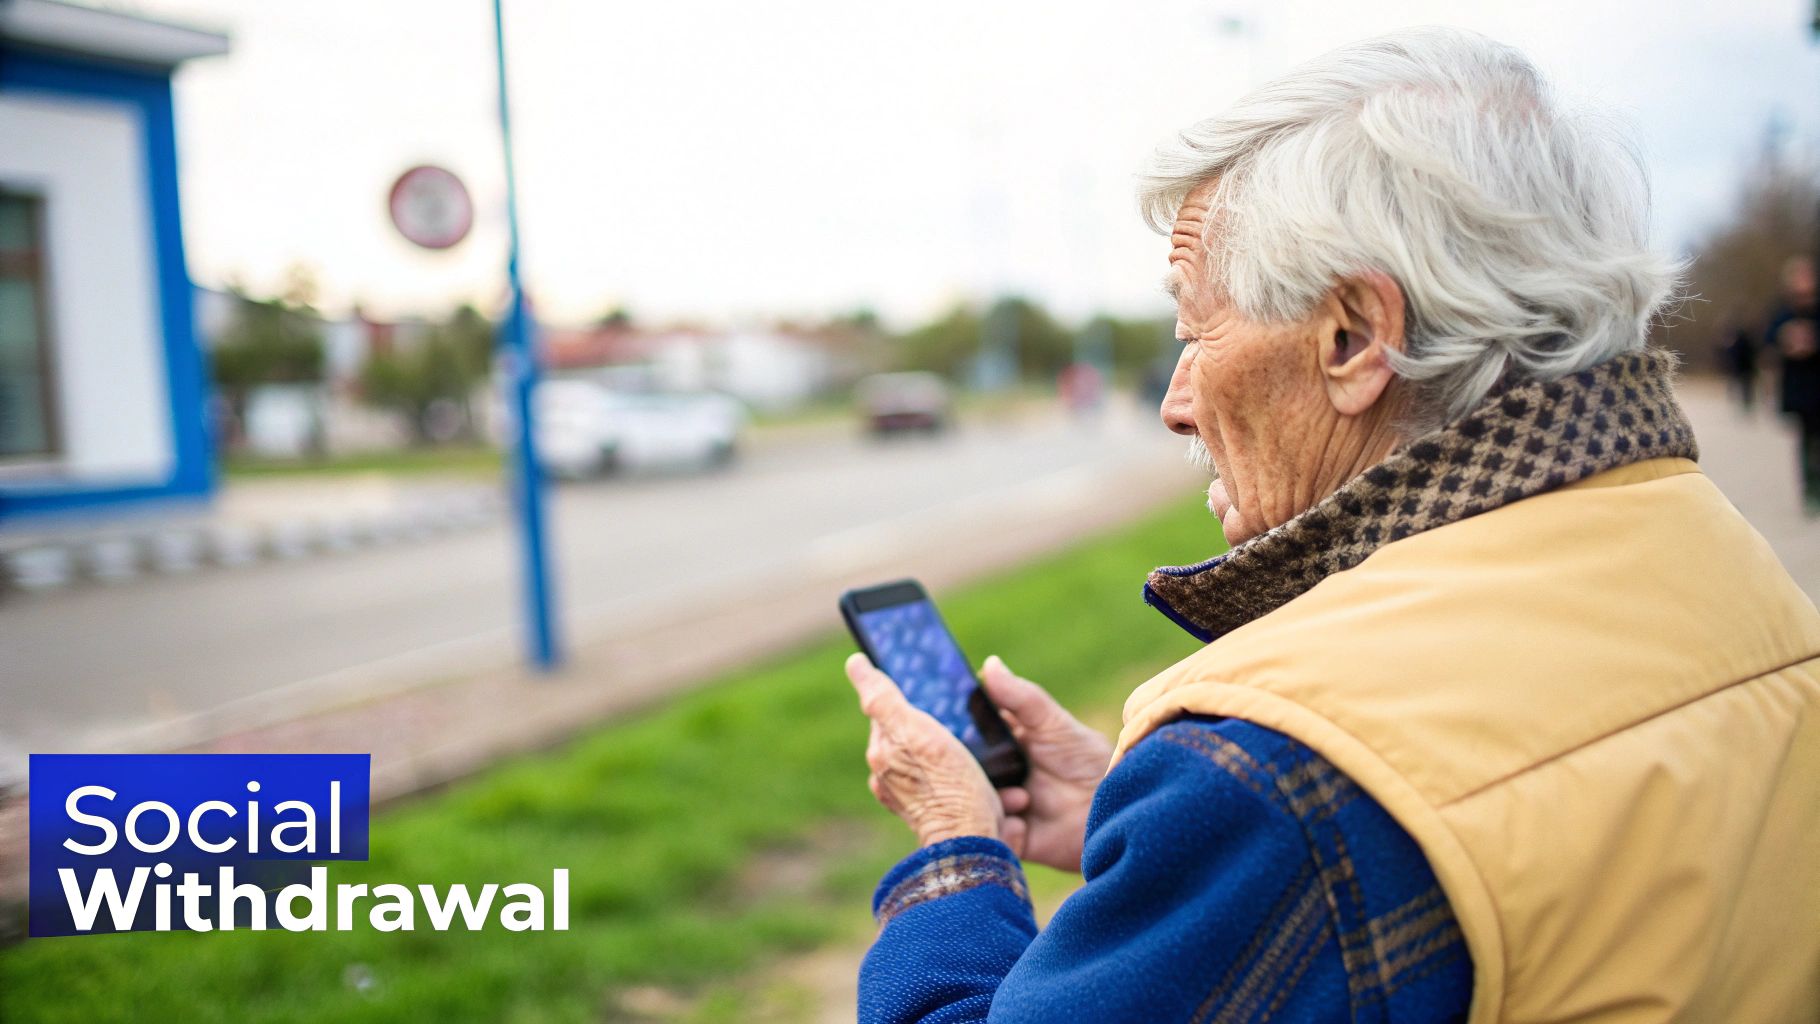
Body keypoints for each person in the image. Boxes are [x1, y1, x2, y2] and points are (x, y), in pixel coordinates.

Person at [845, 27, 1820, 1024]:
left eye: (1194, 330)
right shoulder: (1731, 565)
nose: (1175, 402)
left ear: (1353, 336)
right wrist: (1150, 829)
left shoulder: (1276, 777)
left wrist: (953, 849)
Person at [1768, 256, 1820, 511]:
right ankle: (1810, 489)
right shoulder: (1782, 312)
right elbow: (1769, 340)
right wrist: (1785, 340)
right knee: (1806, 440)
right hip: (1799, 388)